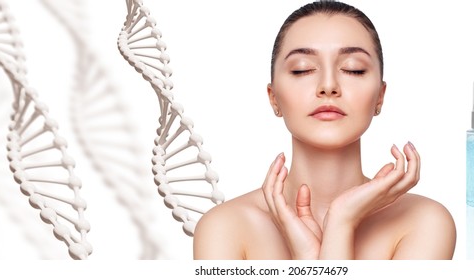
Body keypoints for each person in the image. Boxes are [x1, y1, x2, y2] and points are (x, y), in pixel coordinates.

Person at [193, 0, 456, 260]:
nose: (328, 86)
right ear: (274, 98)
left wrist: (342, 220)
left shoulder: (425, 222)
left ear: (380, 97)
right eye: (302, 69)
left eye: (353, 69)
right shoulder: (224, 228)